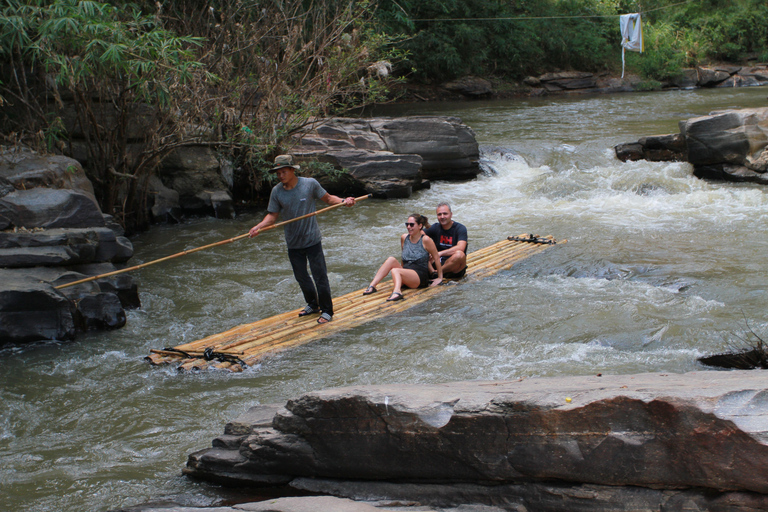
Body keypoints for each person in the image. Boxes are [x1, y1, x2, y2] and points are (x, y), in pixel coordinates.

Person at [249, 155, 355, 324]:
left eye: (283, 171)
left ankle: (327, 311)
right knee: (301, 277)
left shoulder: (309, 184)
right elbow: (272, 216)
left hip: (312, 240)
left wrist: (343, 201)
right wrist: (258, 227)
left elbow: (328, 199)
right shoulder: (277, 191)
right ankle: (313, 305)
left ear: (292, 170)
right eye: (278, 173)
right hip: (293, 243)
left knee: (320, 276)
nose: (281, 175)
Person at [362, 214, 442, 301]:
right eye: (407, 224)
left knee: (395, 270)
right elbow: (403, 256)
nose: (408, 227)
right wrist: (402, 272)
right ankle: (372, 286)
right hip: (407, 272)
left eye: (411, 225)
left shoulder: (425, 240)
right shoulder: (404, 237)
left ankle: (397, 292)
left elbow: (436, 258)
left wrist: (439, 278)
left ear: (420, 226)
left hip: (419, 277)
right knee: (391, 259)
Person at [424, 202, 468, 279]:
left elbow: (461, 247)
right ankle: (432, 272)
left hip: (454, 267)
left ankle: (438, 273)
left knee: (459, 255)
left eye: (445, 214)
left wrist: (439, 253)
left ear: (451, 214)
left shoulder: (460, 228)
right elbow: (417, 236)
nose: (442, 216)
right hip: (437, 263)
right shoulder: (435, 227)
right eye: (439, 214)